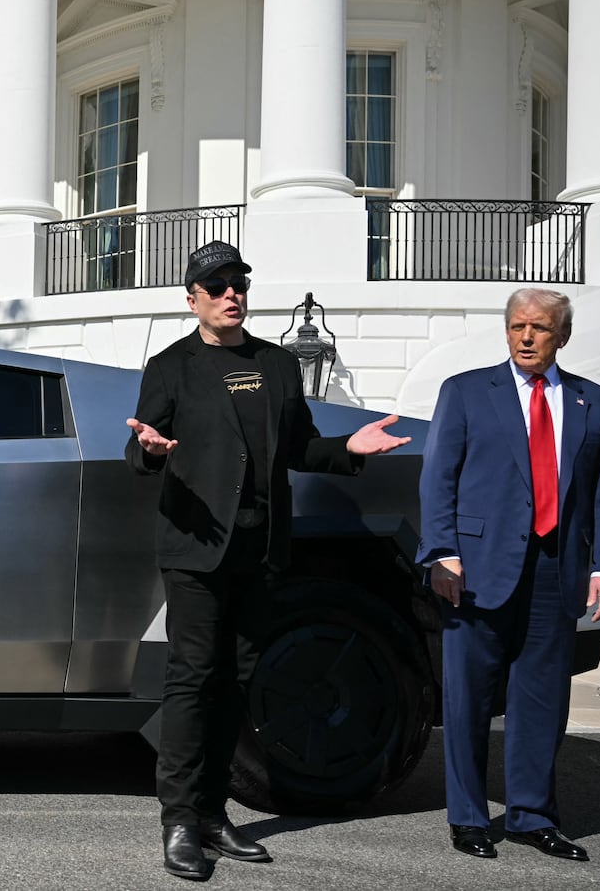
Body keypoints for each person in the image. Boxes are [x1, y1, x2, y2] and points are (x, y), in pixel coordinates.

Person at [126, 240, 410, 880]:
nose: (232, 293)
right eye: (218, 285)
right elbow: (140, 450)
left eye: (239, 283)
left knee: (238, 680)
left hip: (260, 548)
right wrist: (149, 449)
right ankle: (178, 819)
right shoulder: (171, 367)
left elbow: (302, 446)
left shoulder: (279, 365)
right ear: (193, 298)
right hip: (197, 547)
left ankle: (213, 813)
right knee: (193, 679)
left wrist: (350, 448)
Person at [418, 287, 600, 862]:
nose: (526, 337)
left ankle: (533, 817)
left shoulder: (595, 402)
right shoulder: (464, 392)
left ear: (563, 335)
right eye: (517, 326)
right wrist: (439, 552)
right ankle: (469, 817)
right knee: (469, 698)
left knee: (543, 700)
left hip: (558, 571)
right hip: (474, 570)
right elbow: (439, 478)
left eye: (539, 327)